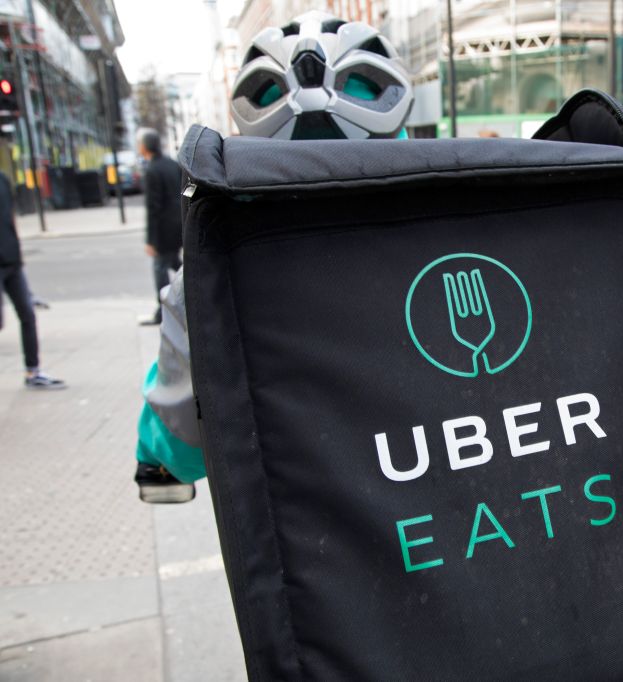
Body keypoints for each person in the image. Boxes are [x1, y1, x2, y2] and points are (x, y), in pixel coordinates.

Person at [134, 11, 414, 502]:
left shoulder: (216, 263)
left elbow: (180, 439)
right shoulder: (466, 226)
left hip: (317, 539)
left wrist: (155, 458)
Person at [0, 173, 65, 390]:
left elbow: (9, 218)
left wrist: (16, 253)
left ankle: (33, 371)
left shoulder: (3, 179)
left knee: (27, 314)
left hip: (11, 260)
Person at [137, 128, 183, 326]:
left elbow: (153, 208)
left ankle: (163, 310)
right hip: (180, 225)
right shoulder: (173, 165)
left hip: (164, 230)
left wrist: (151, 240)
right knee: (175, 263)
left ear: (144, 147)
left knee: (160, 268)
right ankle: (194, 289)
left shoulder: (152, 170)